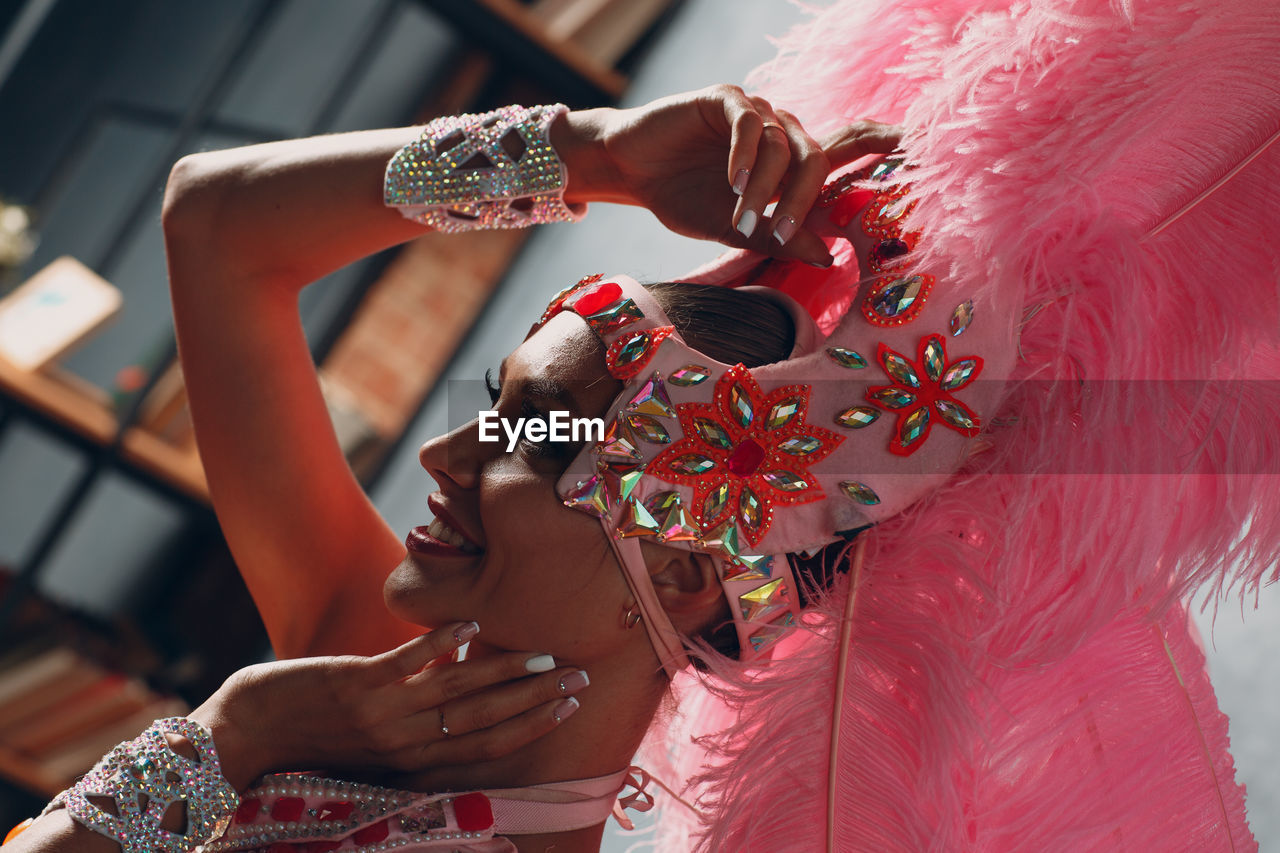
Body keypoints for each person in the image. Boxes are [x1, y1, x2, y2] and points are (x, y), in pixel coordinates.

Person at [6, 0, 1280, 849]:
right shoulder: (353, 661)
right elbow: (213, 221)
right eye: (507, 408)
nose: (449, 453)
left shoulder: (312, 696)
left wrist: (239, 736)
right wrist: (596, 152)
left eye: (540, 434)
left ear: (681, 563)